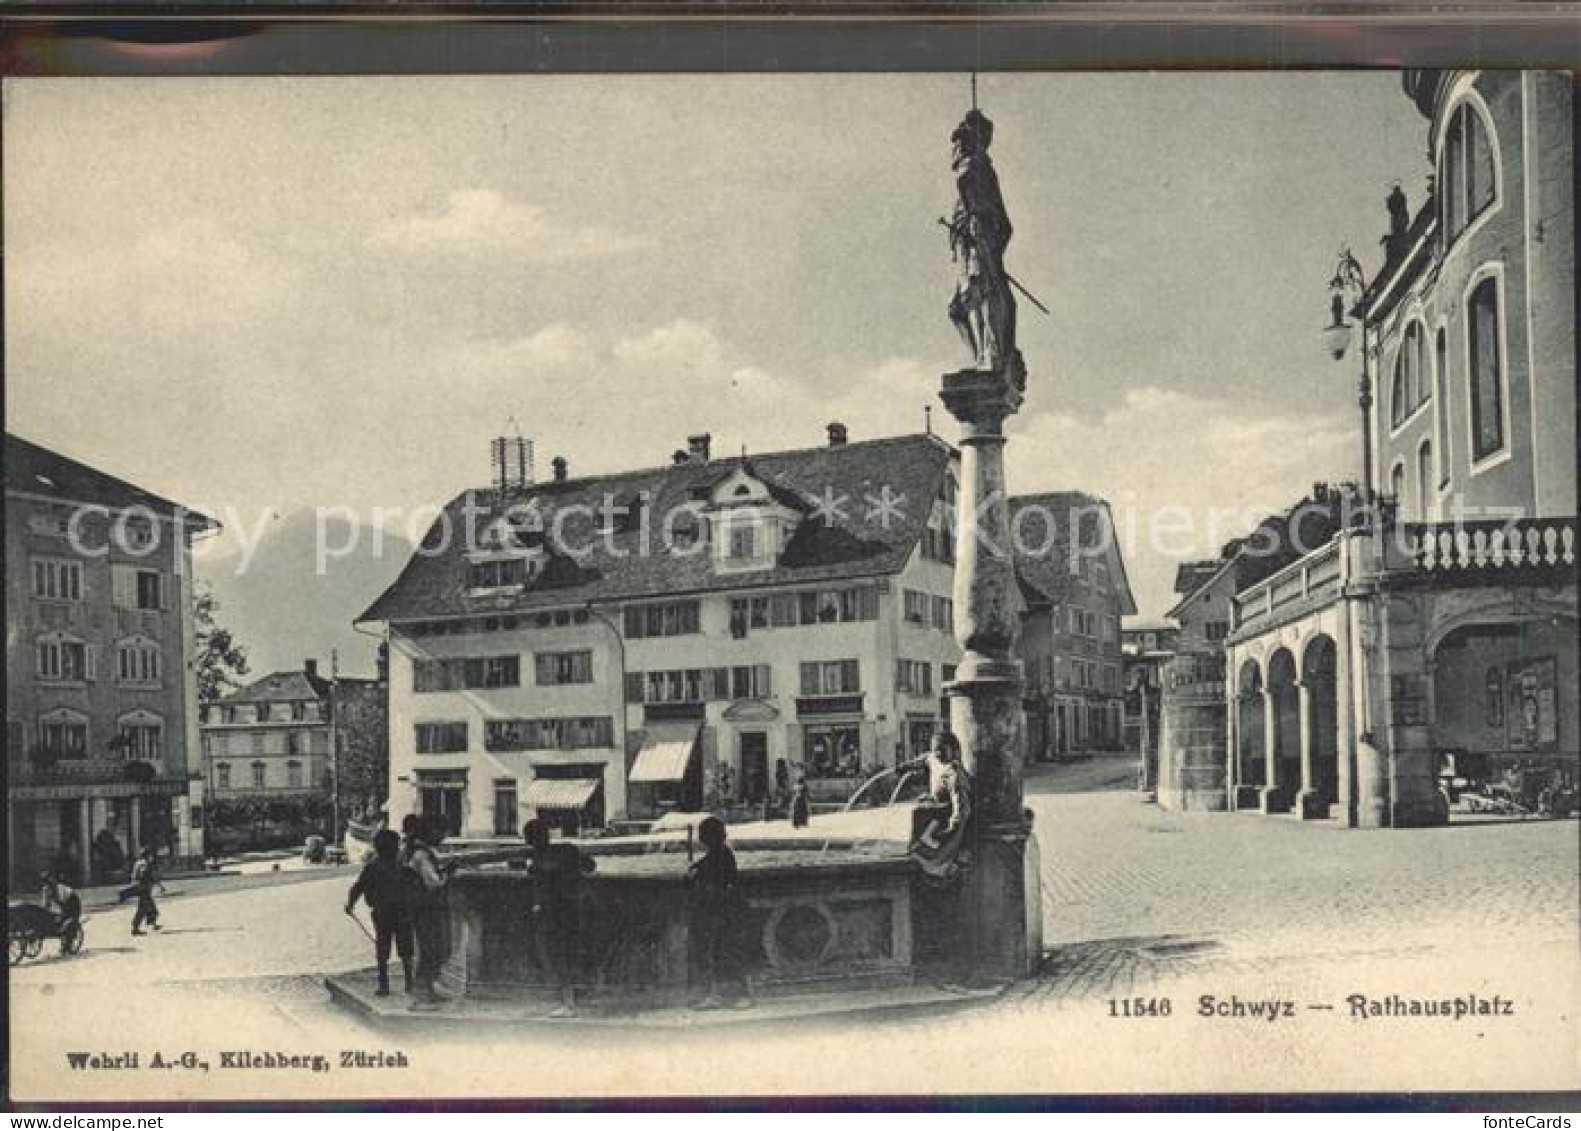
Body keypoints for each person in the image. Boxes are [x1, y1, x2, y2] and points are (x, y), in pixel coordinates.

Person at [523, 818, 596, 1018]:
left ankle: (568, 1001)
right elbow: (590, 865)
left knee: (559, 955)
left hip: (555, 912)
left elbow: (540, 885)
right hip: (577, 907)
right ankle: (571, 999)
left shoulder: (538, 861)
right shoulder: (567, 849)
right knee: (571, 953)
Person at [687, 816, 752, 1010]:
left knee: (726, 953)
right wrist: (697, 868)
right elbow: (708, 863)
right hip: (725, 911)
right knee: (721, 953)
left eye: (703, 835)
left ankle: (738, 996)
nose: (700, 839)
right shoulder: (722, 852)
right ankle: (722, 995)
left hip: (726, 912)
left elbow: (713, 870)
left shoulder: (723, 855)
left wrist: (696, 871)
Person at [345, 829, 414, 997]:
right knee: (405, 949)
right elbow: (413, 888)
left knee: (383, 948)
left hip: (382, 912)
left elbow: (357, 888)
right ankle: (410, 983)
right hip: (402, 912)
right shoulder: (402, 868)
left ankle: (384, 985)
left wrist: (350, 905)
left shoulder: (372, 868)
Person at [400, 814, 452, 1010]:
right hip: (427, 908)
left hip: (418, 908)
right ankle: (421, 995)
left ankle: (427, 990)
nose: (442, 837)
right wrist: (448, 873)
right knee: (434, 949)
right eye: (440, 832)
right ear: (431, 832)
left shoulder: (415, 850)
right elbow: (433, 883)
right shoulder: (422, 855)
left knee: (431, 949)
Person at [40, 872, 82, 953]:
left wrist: (60, 913)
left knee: (68, 922)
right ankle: (65, 943)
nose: (49, 883)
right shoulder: (46, 889)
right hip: (63, 904)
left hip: (72, 902)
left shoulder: (60, 888)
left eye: (50, 880)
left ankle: (68, 945)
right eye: (46, 881)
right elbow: (46, 904)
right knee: (59, 920)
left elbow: (63, 902)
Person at [129, 846, 166, 936]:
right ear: (148, 856)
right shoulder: (147, 864)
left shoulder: (137, 863)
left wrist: (135, 885)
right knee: (143, 909)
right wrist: (160, 886)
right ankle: (135, 928)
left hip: (140, 888)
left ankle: (152, 924)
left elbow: (133, 876)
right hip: (145, 889)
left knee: (151, 908)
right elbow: (153, 877)